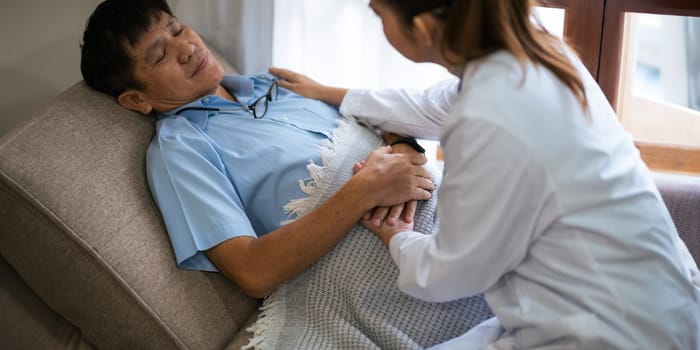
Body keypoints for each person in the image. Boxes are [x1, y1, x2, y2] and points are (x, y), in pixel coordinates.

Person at [270, 0, 700, 348]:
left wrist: (397, 236)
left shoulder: (485, 120)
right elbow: (432, 104)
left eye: (378, 14)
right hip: (664, 303)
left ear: (422, 29)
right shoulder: (531, 47)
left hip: (607, 332)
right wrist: (329, 93)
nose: (379, 22)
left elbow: (449, 274)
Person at [79, 0, 435, 300]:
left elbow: (373, 117)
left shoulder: (270, 84)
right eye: (160, 56)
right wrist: (364, 189)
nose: (187, 48)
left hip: (446, 206)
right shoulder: (179, 150)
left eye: (177, 30)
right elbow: (252, 272)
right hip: (398, 271)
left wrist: (403, 145)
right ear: (136, 99)